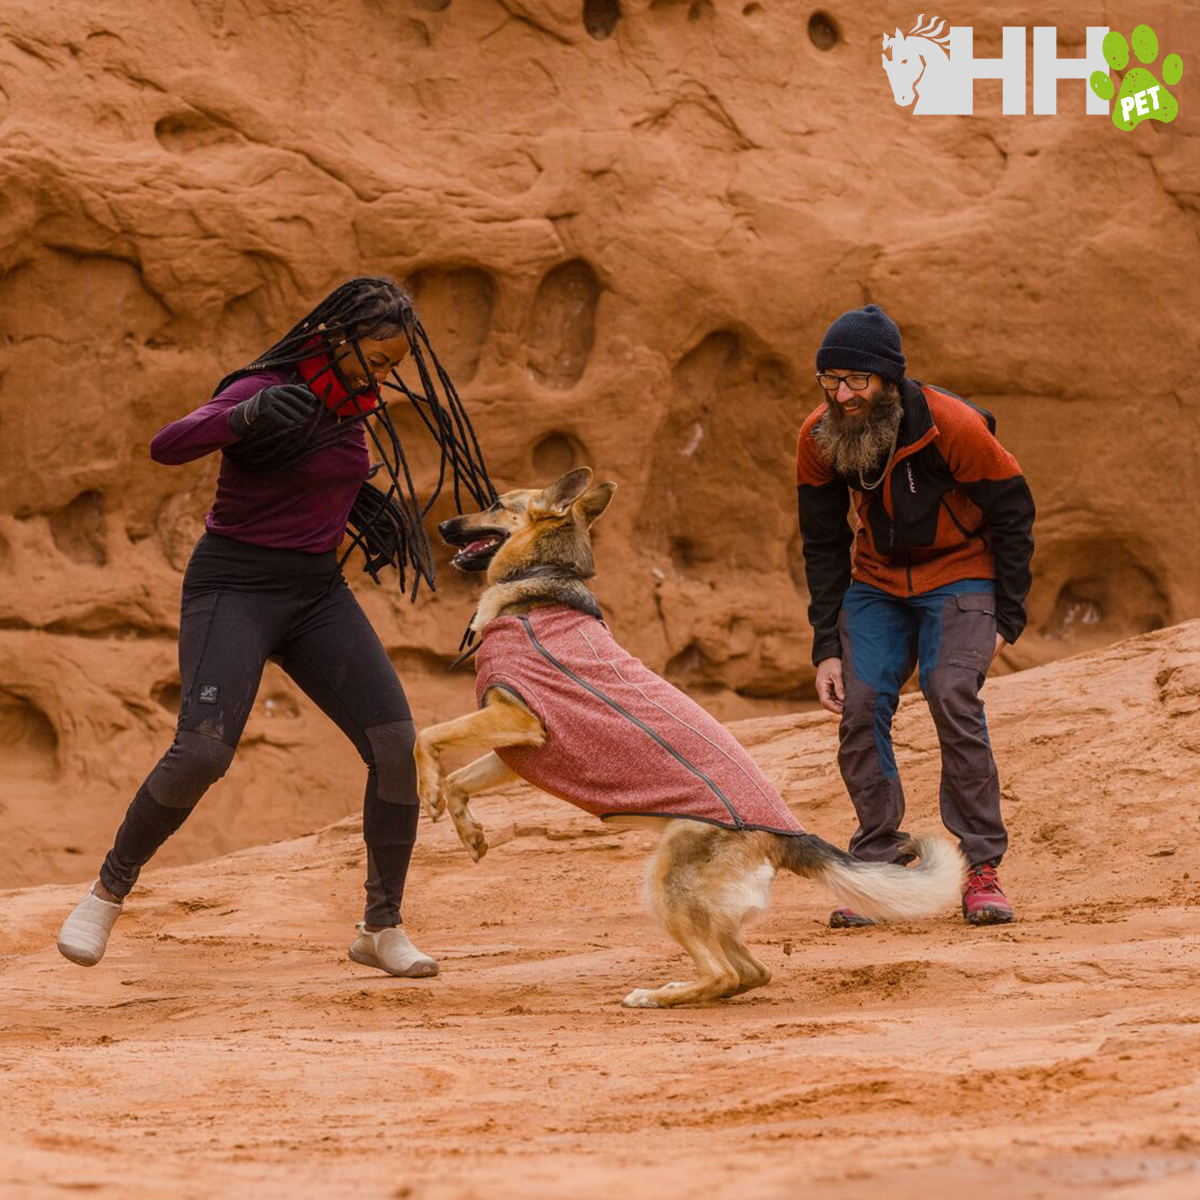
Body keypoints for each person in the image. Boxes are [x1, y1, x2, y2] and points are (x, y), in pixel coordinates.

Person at [56, 276, 494, 974]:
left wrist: (354, 504)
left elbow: (313, 473)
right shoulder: (266, 387)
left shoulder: (351, 405)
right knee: (202, 752)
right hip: (234, 586)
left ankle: (381, 928)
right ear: (337, 337)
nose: (382, 375)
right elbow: (167, 445)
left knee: (395, 747)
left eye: (393, 365)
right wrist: (245, 416)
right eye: (376, 358)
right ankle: (106, 894)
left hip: (317, 594)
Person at [795, 305, 1035, 926]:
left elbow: (1014, 511)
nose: (842, 395)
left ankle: (980, 866)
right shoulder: (819, 436)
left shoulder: (951, 425)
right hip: (876, 582)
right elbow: (822, 543)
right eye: (830, 380)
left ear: (888, 378)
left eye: (857, 380)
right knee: (860, 703)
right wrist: (827, 647)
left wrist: (1007, 616)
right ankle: (878, 866)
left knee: (950, 690)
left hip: (962, 573)